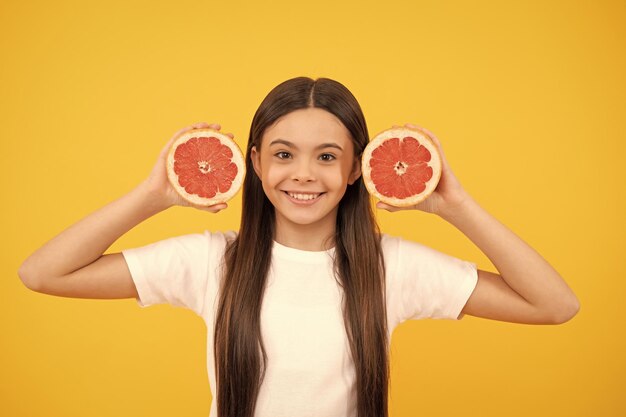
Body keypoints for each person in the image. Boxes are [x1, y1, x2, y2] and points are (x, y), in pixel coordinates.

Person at [18, 76, 580, 417]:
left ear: (356, 167)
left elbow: (554, 305)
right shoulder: (212, 261)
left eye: (327, 156)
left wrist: (455, 205)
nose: (304, 175)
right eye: (284, 154)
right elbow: (44, 273)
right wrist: (154, 194)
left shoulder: (391, 269)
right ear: (256, 161)